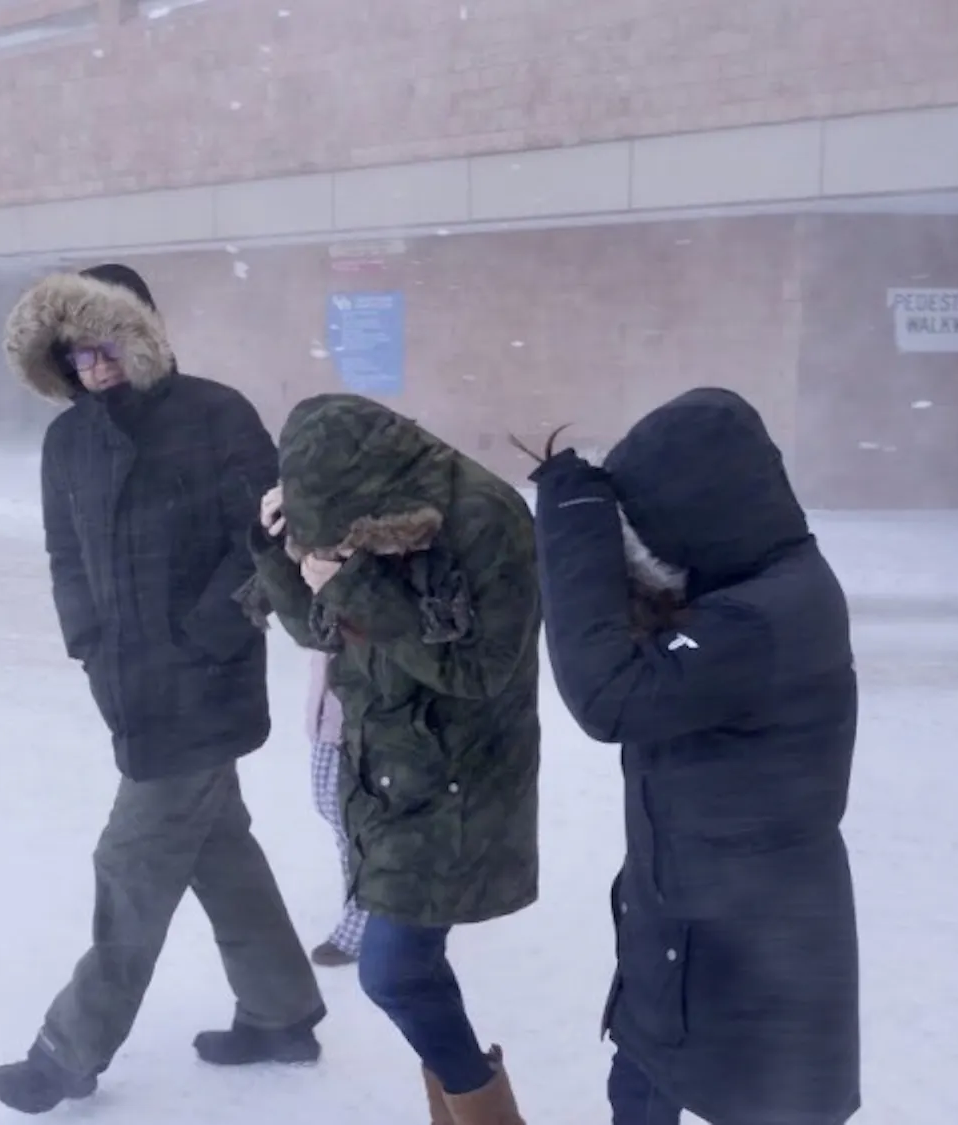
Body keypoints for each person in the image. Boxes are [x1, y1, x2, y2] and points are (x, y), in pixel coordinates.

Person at [0, 263, 325, 1115]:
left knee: (131, 862)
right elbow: (66, 554)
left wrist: (201, 636)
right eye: (75, 356)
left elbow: (268, 543)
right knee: (219, 849)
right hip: (128, 683)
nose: (92, 369)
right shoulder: (68, 442)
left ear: (139, 336)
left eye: (103, 349)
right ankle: (281, 1011)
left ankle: (69, 1049)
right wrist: (90, 644)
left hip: (205, 683)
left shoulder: (217, 416)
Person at [527, 386, 861, 1125]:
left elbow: (609, 697)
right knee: (641, 1090)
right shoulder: (752, 585)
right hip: (689, 925)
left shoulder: (764, 616)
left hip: (756, 948)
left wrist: (575, 520)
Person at [239, 394, 540, 1125]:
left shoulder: (486, 517)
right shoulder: (348, 515)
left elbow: (481, 669)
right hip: (379, 767)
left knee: (393, 971)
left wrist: (350, 583)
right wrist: (278, 551)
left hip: (463, 776)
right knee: (414, 971)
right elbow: (318, 632)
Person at [305, 649, 372, 967]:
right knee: (332, 809)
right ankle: (361, 909)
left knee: (358, 828)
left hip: (361, 725)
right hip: (329, 719)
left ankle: (364, 922)